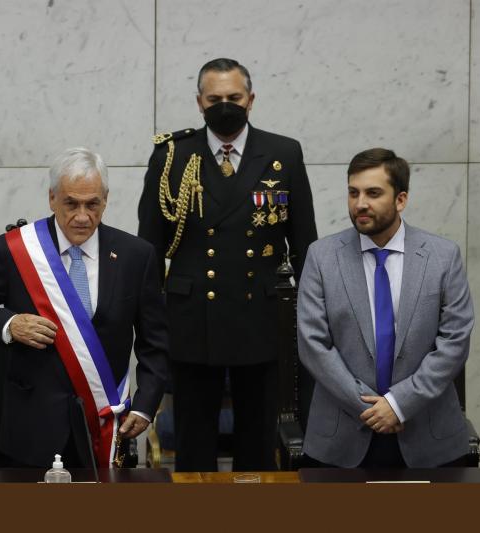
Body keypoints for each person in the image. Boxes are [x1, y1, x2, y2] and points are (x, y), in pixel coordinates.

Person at [137, 58, 317, 471]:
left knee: (258, 444)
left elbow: (304, 245)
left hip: (261, 318)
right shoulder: (171, 156)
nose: (224, 105)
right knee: (194, 445)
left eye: (234, 97)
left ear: (251, 100)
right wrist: (148, 324)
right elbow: (149, 249)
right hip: (192, 318)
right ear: (199, 102)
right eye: (214, 98)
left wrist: (311, 318)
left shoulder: (283, 153)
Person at [0, 147, 168, 468]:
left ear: (106, 200)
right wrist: (10, 324)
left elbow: (155, 342)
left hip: (106, 422)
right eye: (71, 204)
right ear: (52, 198)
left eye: (92, 204)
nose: (82, 216)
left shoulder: (136, 255)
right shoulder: (18, 250)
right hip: (33, 424)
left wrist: (144, 405)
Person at [298, 148, 474, 468]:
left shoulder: (442, 256)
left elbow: (455, 341)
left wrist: (398, 404)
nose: (360, 204)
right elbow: (313, 344)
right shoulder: (321, 257)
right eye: (353, 193)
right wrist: (372, 409)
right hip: (341, 438)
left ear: (401, 199)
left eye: (373, 193)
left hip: (428, 436)